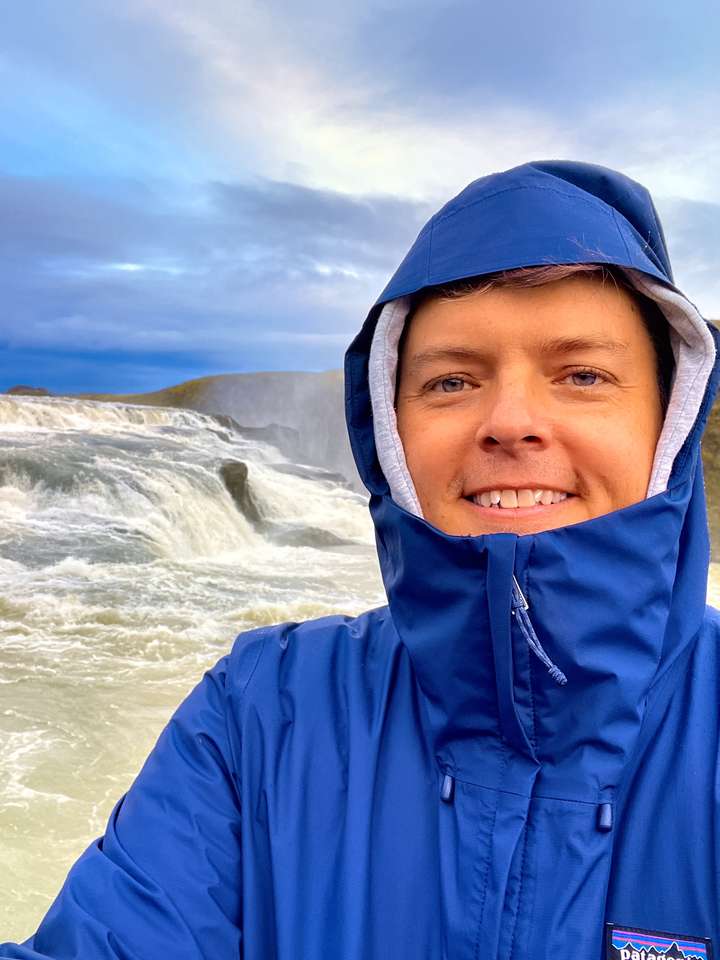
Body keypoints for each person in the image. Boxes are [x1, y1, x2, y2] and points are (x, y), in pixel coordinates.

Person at [2, 159, 719, 959]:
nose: (511, 421)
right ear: (390, 431)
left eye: (582, 375)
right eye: (451, 382)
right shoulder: (258, 714)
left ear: (671, 424)